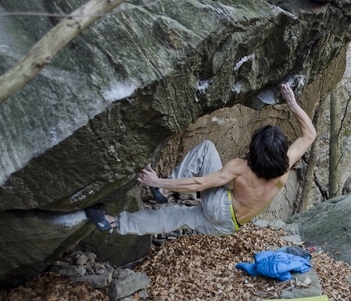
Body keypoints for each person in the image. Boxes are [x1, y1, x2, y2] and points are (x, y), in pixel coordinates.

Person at [86, 83, 316, 236]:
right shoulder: (285, 168)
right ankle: (114, 223)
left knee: (206, 148)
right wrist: (293, 105)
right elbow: (310, 135)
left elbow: (199, 184)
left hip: (220, 208)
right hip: (229, 227)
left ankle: (163, 192)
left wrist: (157, 182)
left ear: (255, 149)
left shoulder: (240, 168)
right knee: (173, 217)